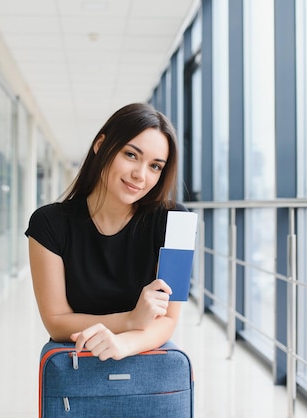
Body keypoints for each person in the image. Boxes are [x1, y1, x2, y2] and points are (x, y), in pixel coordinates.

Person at [25, 102, 187, 362]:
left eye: (155, 166)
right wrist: (131, 320)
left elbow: (169, 319)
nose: (140, 175)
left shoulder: (178, 223)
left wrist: (124, 344)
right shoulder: (48, 223)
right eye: (131, 155)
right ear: (101, 146)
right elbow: (56, 322)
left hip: (147, 369)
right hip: (78, 371)